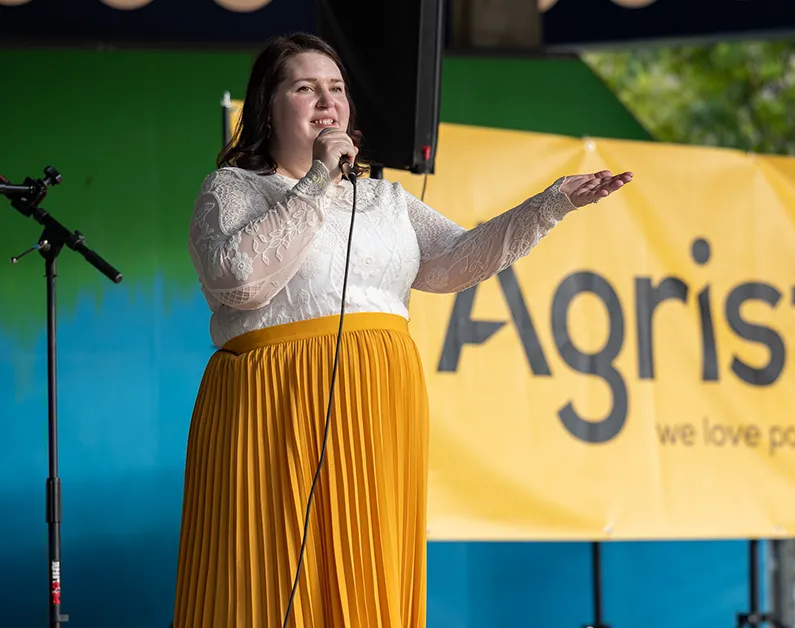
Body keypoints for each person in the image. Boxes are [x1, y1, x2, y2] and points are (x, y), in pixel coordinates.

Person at [173, 32, 633, 627]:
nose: (326, 101)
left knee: (371, 574)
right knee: (275, 574)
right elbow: (238, 282)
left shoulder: (384, 199)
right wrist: (317, 181)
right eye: (305, 88)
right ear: (267, 106)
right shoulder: (234, 189)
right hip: (276, 405)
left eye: (336, 89)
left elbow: (455, 261)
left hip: (378, 406)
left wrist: (550, 204)